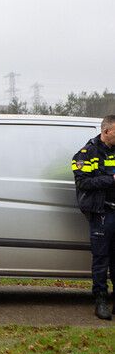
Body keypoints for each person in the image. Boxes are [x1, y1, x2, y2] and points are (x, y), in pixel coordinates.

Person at [72, 115, 115, 320]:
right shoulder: (85, 154)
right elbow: (84, 183)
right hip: (101, 213)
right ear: (106, 132)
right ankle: (100, 301)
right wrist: (111, 179)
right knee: (101, 259)